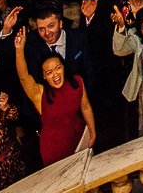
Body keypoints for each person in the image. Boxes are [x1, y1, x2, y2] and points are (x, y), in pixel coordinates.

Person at [11, 30, 94, 165]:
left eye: (58, 68)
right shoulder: (40, 93)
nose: (55, 74)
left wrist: (92, 132)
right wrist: (19, 50)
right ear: (44, 76)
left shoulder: (77, 81)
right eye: (49, 72)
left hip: (79, 141)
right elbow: (24, 77)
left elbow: (85, 107)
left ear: (64, 68)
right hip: (55, 150)